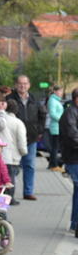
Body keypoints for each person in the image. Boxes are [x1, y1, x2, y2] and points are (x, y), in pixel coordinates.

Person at [5, 75, 47, 201]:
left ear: (29, 85)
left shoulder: (34, 99)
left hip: (31, 138)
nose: (22, 86)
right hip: (13, 139)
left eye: (25, 83)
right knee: (12, 167)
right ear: (16, 85)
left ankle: (28, 192)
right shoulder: (9, 99)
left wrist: (39, 130)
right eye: (20, 83)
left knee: (29, 166)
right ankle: (9, 193)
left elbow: (42, 114)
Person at [1, 100, 28, 206]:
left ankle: (1, 197)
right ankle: (10, 198)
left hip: (0, 153)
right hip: (13, 155)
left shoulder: (0, 119)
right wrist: (23, 152)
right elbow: (21, 140)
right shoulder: (18, 123)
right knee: (11, 177)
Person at [59, 89, 78, 235]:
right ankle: (75, 224)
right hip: (73, 157)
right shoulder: (70, 113)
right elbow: (72, 136)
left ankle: (75, 223)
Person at [47, 85, 65, 171]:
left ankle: (51, 164)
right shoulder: (53, 100)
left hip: (58, 127)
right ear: (55, 91)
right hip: (56, 127)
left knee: (55, 147)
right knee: (56, 147)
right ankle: (54, 165)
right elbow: (52, 114)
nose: (61, 93)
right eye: (60, 91)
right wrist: (62, 120)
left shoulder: (55, 100)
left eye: (62, 91)